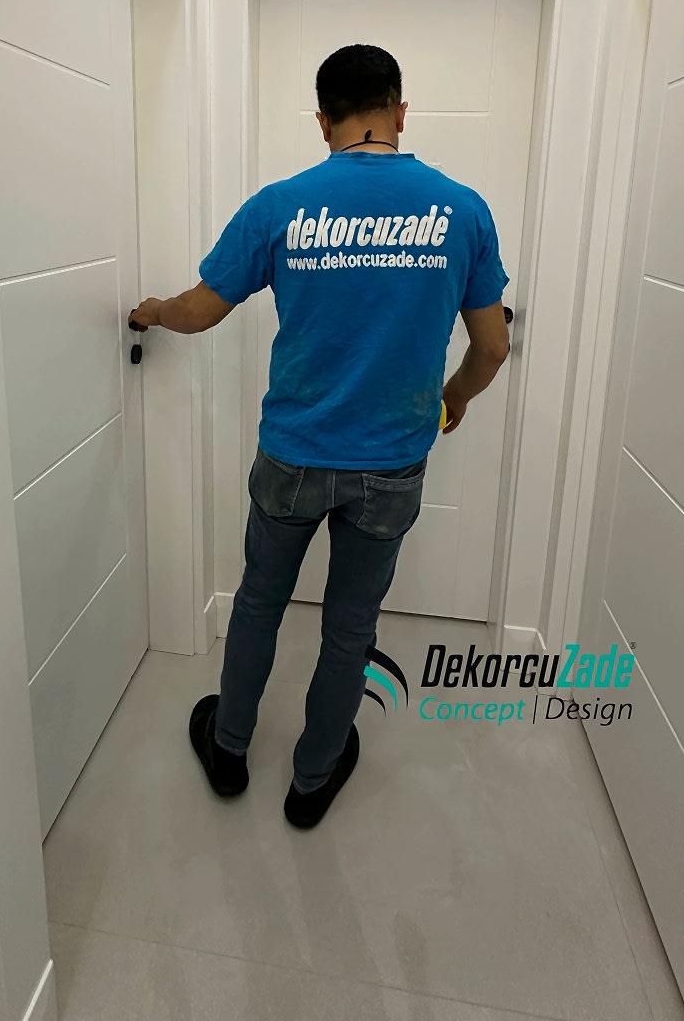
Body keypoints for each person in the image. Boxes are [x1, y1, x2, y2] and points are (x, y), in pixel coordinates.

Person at [128, 43, 511, 828]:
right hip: (392, 462)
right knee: (350, 626)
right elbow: (493, 347)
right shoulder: (463, 211)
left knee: (259, 603)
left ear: (322, 120)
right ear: (400, 111)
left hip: (294, 456)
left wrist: (152, 312)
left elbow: (198, 312)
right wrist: (453, 401)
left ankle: (229, 749)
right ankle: (312, 779)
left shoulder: (281, 206)